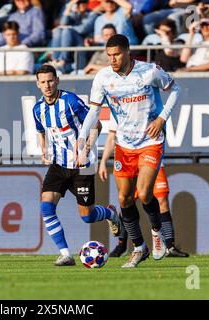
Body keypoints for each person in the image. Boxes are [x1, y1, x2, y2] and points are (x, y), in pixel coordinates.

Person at [77, 34, 181, 268]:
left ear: (127, 52)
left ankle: (156, 234)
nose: (112, 59)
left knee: (144, 193)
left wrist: (162, 119)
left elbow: (176, 90)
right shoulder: (103, 78)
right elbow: (94, 111)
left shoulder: (150, 71)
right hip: (124, 144)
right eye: (109, 55)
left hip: (150, 140)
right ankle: (139, 248)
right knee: (124, 199)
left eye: (117, 54)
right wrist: (82, 138)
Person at [32, 64, 121, 266]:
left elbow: (96, 125)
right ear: (38, 84)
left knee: (87, 216)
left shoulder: (70, 101)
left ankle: (110, 213)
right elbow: (40, 130)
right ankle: (66, 254)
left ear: (57, 81)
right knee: (46, 207)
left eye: (50, 81)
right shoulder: (38, 109)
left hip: (83, 165)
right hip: (59, 164)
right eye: (43, 82)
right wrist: (44, 150)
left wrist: (86, 150)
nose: (47, 85)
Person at [99, 123, 189, 258]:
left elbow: (163, 123)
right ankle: (122, 245)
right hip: (129, 161)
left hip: (150, 160)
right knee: (126, 200)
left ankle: (169, 246)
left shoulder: (149, 104)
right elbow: (112, 136)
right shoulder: (117, 106)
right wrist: (103, 161)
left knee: (162, 200)